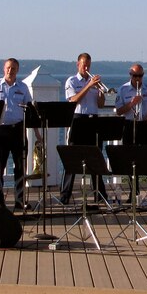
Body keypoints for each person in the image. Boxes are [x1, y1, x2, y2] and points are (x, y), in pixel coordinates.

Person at [0, 58, 36, 211]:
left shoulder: (23, 87)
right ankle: (0, 201)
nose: (10, 71)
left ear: (17, 70)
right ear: (3, 69)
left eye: (13, 68)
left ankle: (20, 201)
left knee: (20, 167)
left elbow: (30, 110)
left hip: (18, 130)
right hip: (0, 130)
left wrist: (37, 134)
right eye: (7, 68)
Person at [61, 52, 108, 204]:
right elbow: (73, 100)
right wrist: (88, 86)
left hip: (93, 121)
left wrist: (100, 93)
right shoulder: (72, 81)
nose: (86, 67)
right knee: (72, 158)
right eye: (83, 64)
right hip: (78, 120)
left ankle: (99, 195)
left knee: (96, 157)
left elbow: (101, 105)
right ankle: (65, 195)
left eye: (88, 64)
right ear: (78, 64)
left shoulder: (94, 83)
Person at [115, 64, 147, 202]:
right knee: (130, 160)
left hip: (144, 125)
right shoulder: (123, 90)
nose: (137, 79)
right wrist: (131, 103)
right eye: (135, 76)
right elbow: (118, 111)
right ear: (130, 74)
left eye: (140, 76)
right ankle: (133, 192)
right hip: (129, 125)